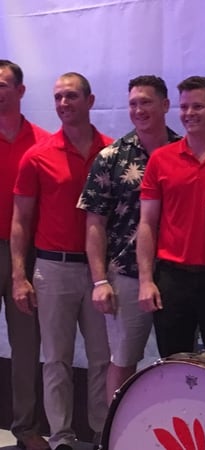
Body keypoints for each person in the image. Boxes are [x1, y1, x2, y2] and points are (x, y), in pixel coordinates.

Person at [11, 72, 113, 450]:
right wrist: (20, 276)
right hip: (52, 270)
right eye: (57, 98)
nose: (63, 104)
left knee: (103, 357)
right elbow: (20, 221)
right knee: (56, 359)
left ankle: (104, 432)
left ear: (90, 100)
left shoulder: (111, 153)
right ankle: (62, 438)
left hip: (101, 273)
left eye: (71, 97)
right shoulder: (37, 156)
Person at [77, 75, 181, 403]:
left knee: (178, 362)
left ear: (165, 105)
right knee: (122, 361)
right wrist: (99, 282)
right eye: (133, 103)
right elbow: (94, 223)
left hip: (177, 274)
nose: (138, 109)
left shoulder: (184, 152)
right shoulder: (112, 157)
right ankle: (116, 434)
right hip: (126, 276)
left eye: (146, 102)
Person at [137, 76, 205, 358]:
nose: (189, 114)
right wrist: (146, 280)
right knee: (172, 364)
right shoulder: (161, 159)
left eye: (198, 107)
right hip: (172, 278)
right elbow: (147, 223)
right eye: (184, 107)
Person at [0, 60, 50, 450]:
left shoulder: (42, 142)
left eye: (2, 84)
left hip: (25, 256)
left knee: (26, 346)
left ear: (20, 90)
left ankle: (26, 428)